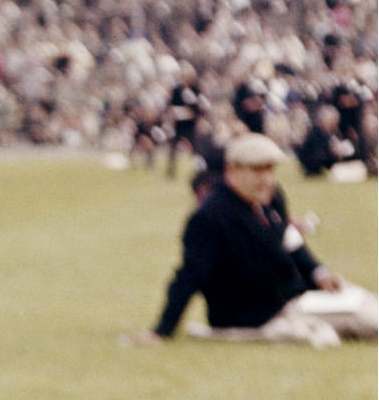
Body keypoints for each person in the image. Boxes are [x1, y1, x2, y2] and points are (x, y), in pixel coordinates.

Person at [130, 134, 377, 348]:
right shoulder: (211, 216)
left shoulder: (271, 198)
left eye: (270, 169)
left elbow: (291, 242)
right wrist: (162, 330)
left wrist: (317, 272)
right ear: (232, 170)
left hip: (298, 297)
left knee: (363, 300)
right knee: (362, 316)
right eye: (257, 170)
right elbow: (190, 274)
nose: (267, 179)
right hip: (259, 314)